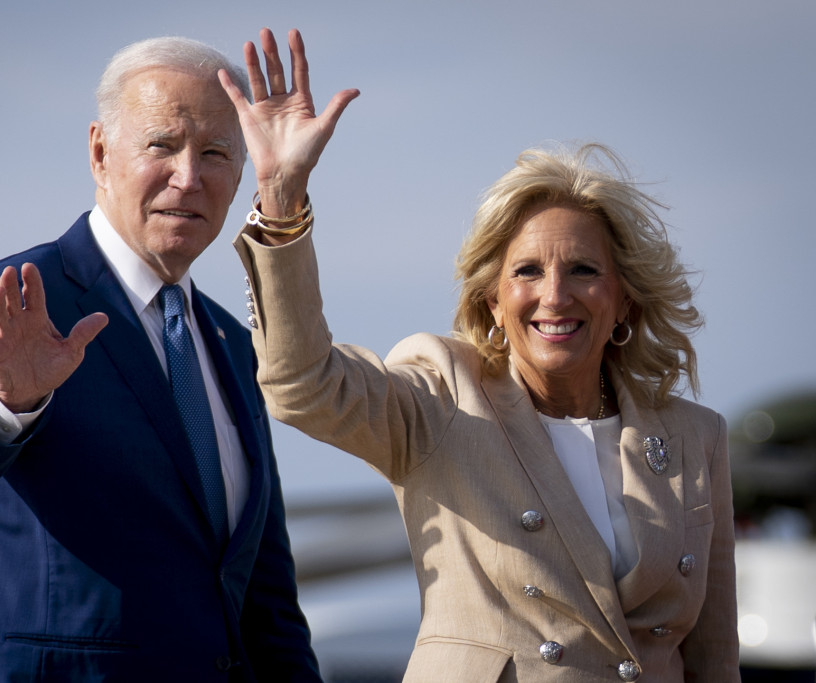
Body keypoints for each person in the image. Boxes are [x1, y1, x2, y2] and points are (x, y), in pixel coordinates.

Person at [220, 28, 739, 682]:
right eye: (525, 271)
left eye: (582, 269)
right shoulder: (442, 392)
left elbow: (716, 662)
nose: (554, 295)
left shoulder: (697, 435)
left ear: (625, 300)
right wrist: (283, 201)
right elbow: (301, 384)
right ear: (492, 300)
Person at [0, 35, 321, 682]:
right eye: (162, 145)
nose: (189, 176)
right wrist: (9, 405)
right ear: (99, 153)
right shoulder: (16, 298)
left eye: (216, 153)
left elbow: (265, 595)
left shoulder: (231, 342)